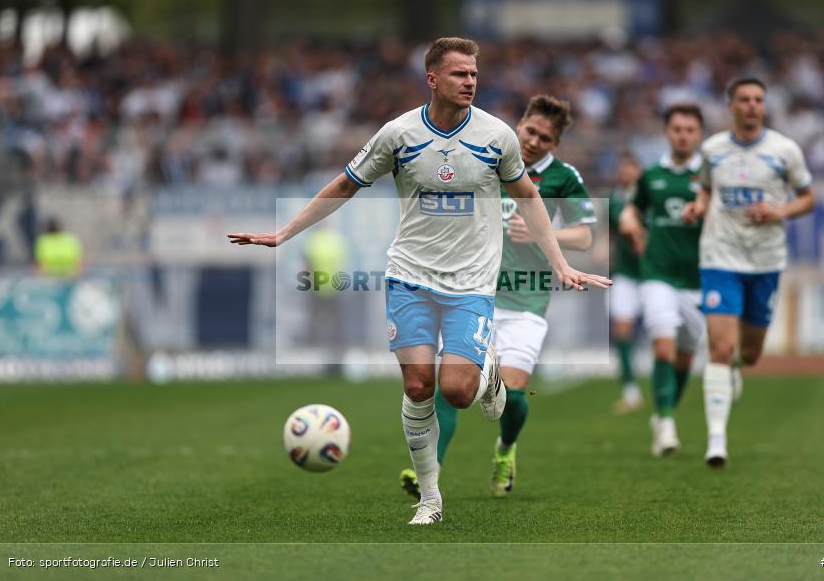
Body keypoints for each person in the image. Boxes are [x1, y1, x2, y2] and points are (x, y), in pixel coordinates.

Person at [229, 38, 611, 524]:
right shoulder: (399, 134)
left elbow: (530, 200)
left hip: (471, 282)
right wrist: (285, 232)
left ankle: (485, 379)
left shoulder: (497, 137)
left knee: (455, 390)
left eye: (474, 74)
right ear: (433, 79)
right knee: (416, 386)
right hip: (409, 275)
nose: (470, 81)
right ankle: (430, 499)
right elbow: (346, 183)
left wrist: (560, 263)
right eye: (459, 74)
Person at [400, 95, 597, 499]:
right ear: (519, 124)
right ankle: (428, 472)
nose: (535, 141)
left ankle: (506, 449)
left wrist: (547, 236)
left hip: (526, 300)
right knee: (449, 389)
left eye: (545, 137)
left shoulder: (563, 177)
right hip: (472, 293)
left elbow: (585, 235)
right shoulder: (489, 156)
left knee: (512, 393)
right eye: (530, 131)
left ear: (555, 144)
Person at [682, 78, 815, 468]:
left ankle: (736, 370)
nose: (753, 105)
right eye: (745, 99)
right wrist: (698, 206)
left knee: (751, 353)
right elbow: (704, 189)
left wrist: (781, 212)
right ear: (731, 106)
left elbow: (809, 197)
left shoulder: (784, 150)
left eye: (759, 99)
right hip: (719, 257)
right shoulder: (713, 149)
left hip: (765, 261)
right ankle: (717, 440)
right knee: (720, 348)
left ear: (765, 106)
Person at [619, 103, 705, 457]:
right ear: (667, 133)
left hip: (699, 279)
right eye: (677, 129)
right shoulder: (651, 174)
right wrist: (628, 220)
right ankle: (667, 423)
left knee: (685, 359)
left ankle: (662, 410)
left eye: (690, 130)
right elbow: (632, 207)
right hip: (657, 274)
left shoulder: (710, 177)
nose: (683, 135)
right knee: (663, 346)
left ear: (699, 134)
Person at [608, 154, 644, 413]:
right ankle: (630, 390)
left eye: (629, 167)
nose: (625, 172)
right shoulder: (615, 199)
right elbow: (613, 230)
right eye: (622, 168)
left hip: (655, 274)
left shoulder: (650, 197)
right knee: (621, 330)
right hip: (625, 274)